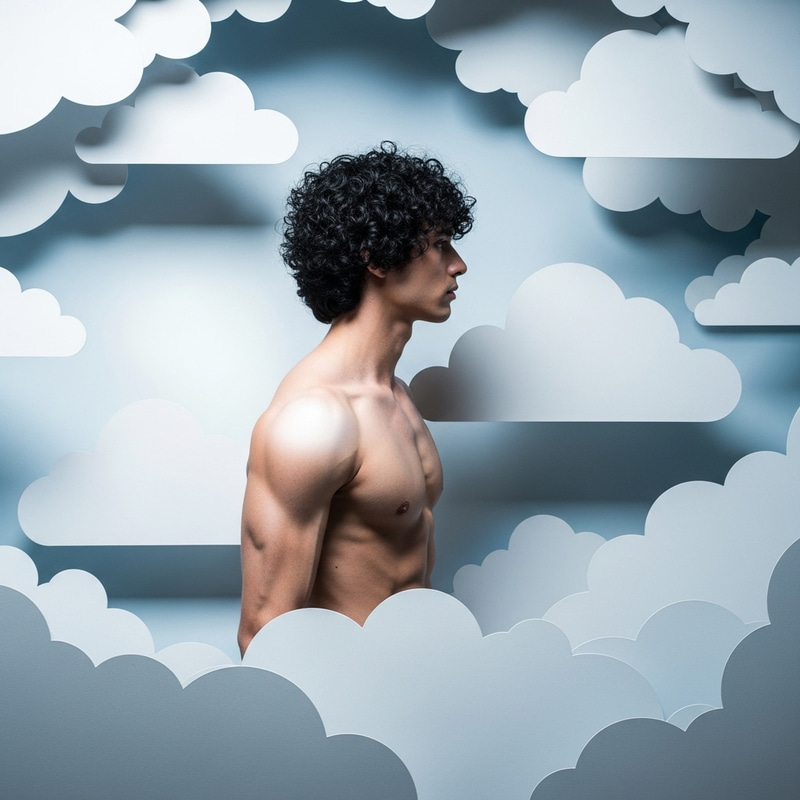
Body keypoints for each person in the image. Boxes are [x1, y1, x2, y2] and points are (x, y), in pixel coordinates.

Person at [238, 142, 475, 655]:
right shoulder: (315, 420)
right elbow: (263, 630)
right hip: (349, 703)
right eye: (438, 245)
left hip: (417, 686)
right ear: (376, 257)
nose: (458, 265)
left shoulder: (395, 397)